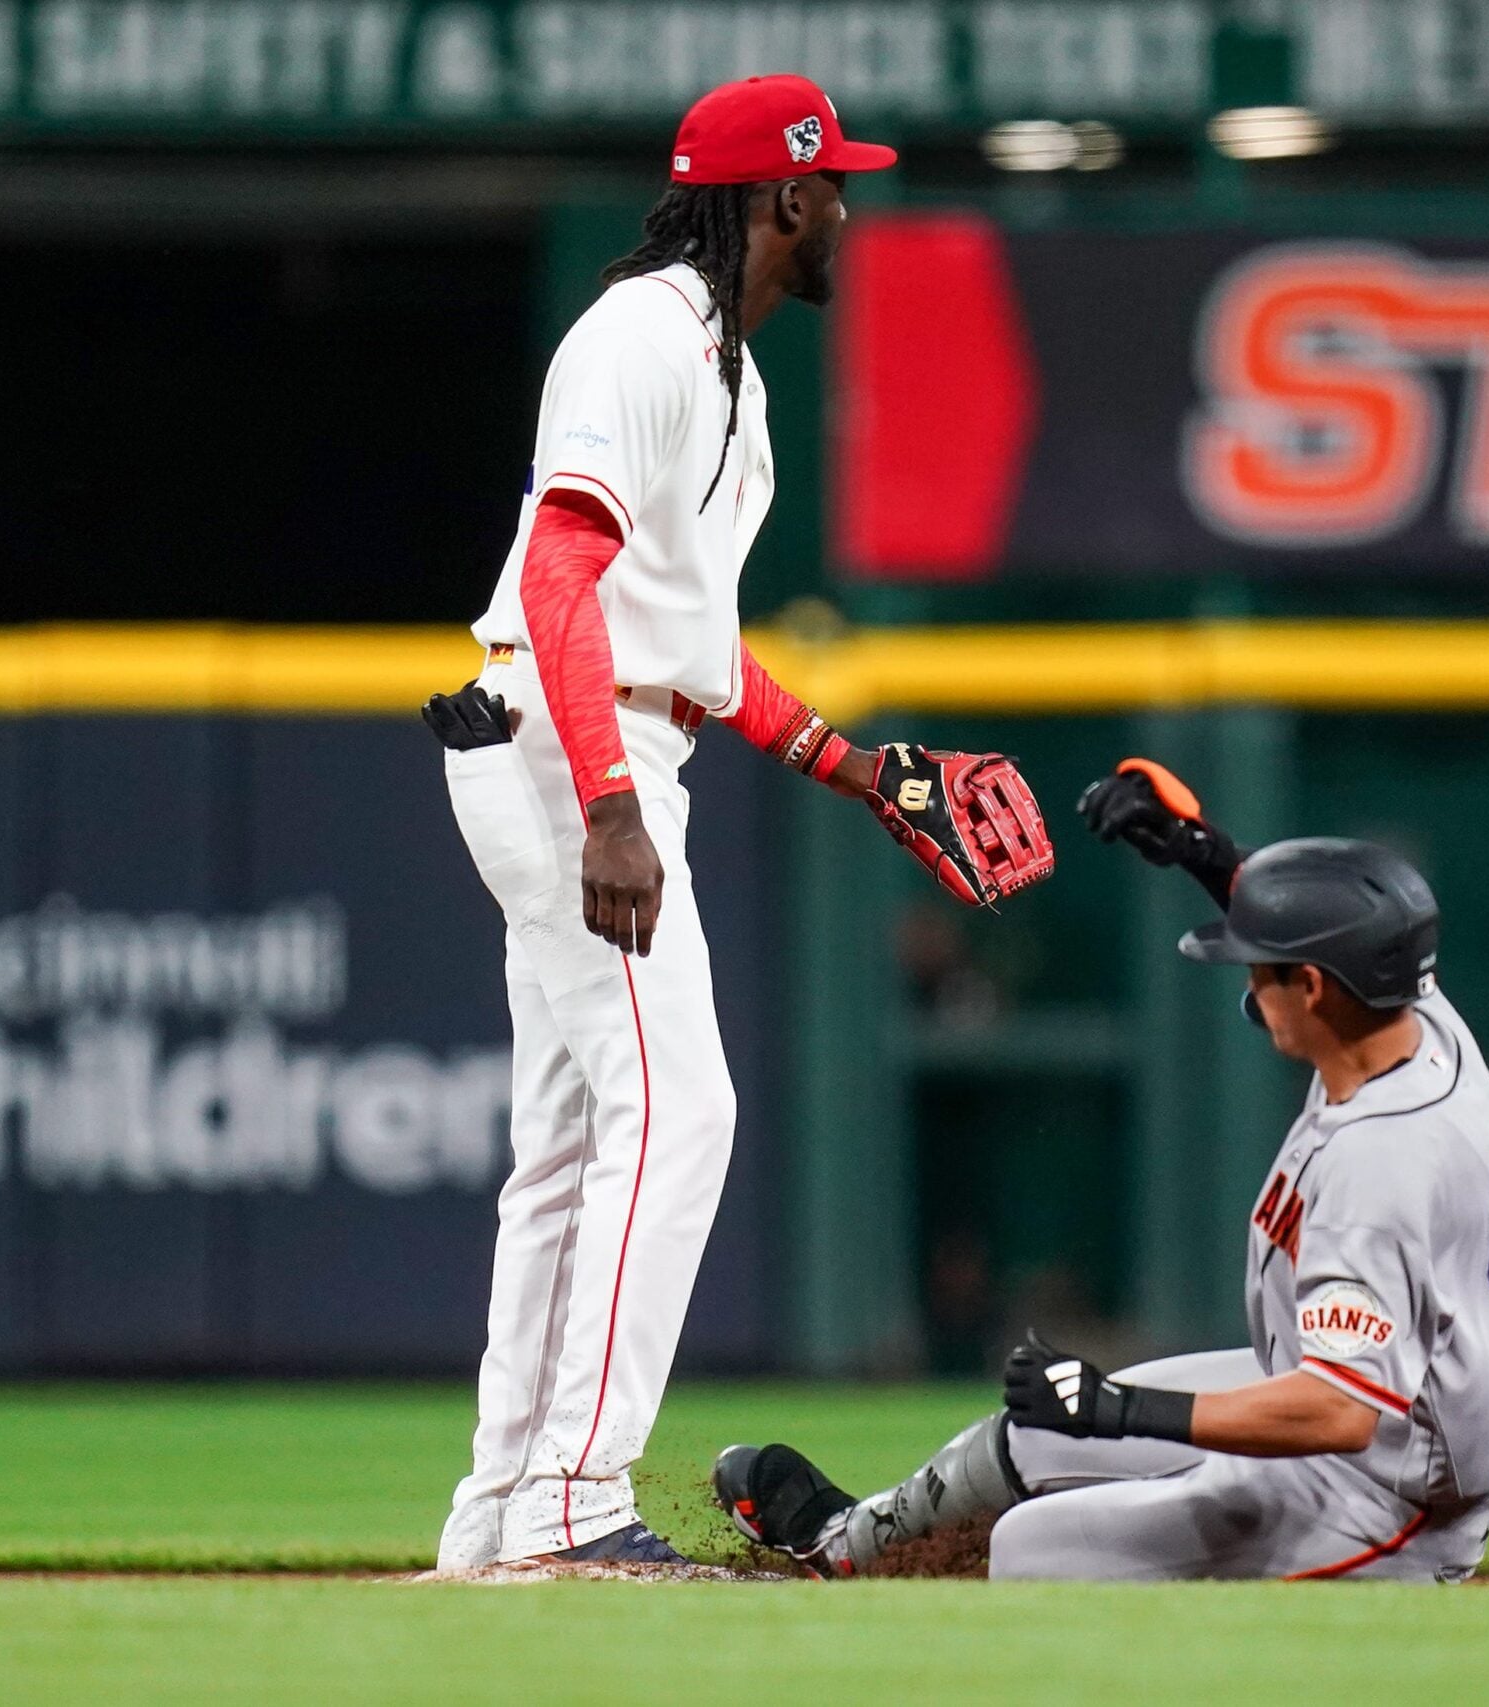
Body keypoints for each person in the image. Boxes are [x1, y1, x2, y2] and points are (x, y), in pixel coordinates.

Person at [419, 76, 1049, 1570]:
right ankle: (573, 1506)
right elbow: (563, 581)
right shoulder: (637, 336)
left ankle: (501, 1515)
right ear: (784, 198)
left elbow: (689, 651)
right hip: (566, 748)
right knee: (680, 1108)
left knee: (573, 1146)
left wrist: (860, 767)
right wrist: (611, 804)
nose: (849, 209)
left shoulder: (735, 380)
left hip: (608, 731)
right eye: (836, 188)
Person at [715, 759, 1489, 1582]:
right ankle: (846, 1547)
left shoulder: (1380, 1163)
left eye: (1261, 962)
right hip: (1352, 1400)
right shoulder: (1419, 1021)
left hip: (1388, 1491)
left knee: (1035, 1548)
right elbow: (1331, 931)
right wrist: (1202, 850)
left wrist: (1122, 1410)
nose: (1249, 982)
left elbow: (1341, 1409)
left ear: (1317, 987)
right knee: (1034, 1433)